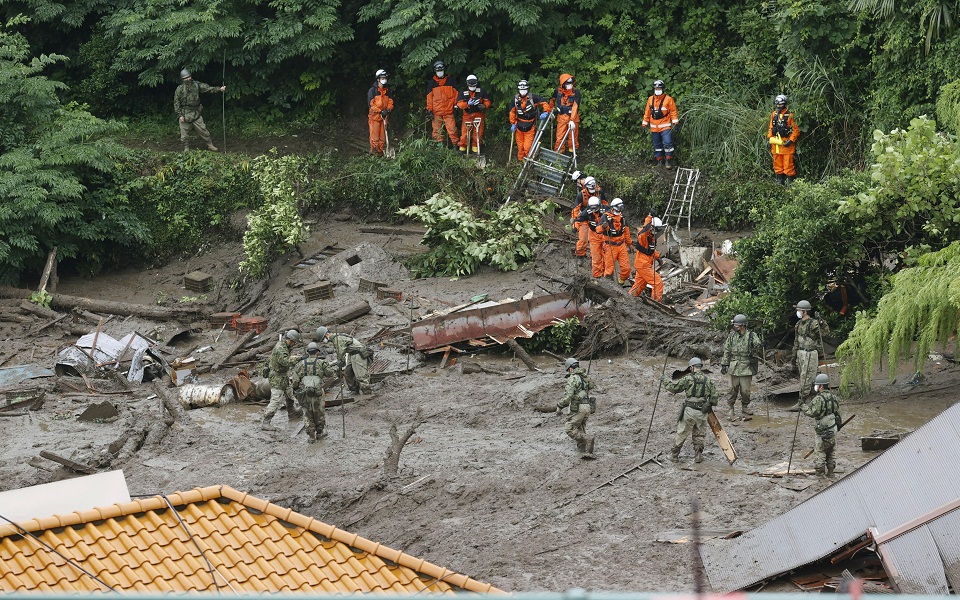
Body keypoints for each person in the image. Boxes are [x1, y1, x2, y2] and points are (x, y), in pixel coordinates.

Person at [664, 357, 719, 463]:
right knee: (699, 434)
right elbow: (715, 397)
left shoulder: (688, 378)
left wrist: (664, 380)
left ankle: (674, 456)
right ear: (700, 367)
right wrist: (710, 403)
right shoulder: (708, 380)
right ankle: (698, 456)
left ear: (692, 367)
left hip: (689, 411)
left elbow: (674, 388)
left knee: (682, 433)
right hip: (702, 412)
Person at [291, 342, 337, 443]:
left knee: (307, 413)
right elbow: (330, 374)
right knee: (319, 412)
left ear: (307, 352)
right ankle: (320, 433)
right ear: (317, 352)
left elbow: (295, 381)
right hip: (318, 392)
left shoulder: (300, 364)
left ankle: (311, 436)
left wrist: (296, 389)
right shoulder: (321, 363)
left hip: (305, 393)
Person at [720, 314, 763, 418]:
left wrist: (760, 345)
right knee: (731, 389)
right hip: (733, 365)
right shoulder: (732, 336)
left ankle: (745, 407)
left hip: (746, 366)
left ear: (743, 326)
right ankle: (731, 408)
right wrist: (724, 363)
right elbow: (727, 350)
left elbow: (757, 346)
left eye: (737, 325)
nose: (735, 327)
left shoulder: (752, 336)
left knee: (745, 390)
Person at [800, 373, 842, 477]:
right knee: (831, 449)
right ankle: (831, 472)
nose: (816, 387)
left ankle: (819, 473)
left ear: (821, 386)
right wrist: (838, 426)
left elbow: (812, 413)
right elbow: (838, 414)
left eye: (817, 385)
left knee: (820, 450)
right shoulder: (834, 397)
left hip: (822, 430)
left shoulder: (818, 399)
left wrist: (803, 406)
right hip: (833, 428)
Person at [175, 68, 226, 152]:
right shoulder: (179, 89)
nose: (188, 79)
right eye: (185, 78)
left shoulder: (197, 85)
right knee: (184, 134)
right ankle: (186, 148)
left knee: (203, 130)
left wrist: (219, 89)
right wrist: (179, 115)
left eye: (188, 77)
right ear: (182, 79)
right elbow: (176, 103)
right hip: (184, 113)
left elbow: (208, 88)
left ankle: (210, 145)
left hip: (196, 113)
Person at [261, 330, 303, 429]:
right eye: (294, 342)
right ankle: (266, 422)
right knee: (276, 399)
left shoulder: (284, 346)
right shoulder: (280, 348)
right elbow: (285, 361)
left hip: (283, 375)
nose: (294, 344)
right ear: (290, 340)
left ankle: (292, 412)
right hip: (277, 377)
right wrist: (299, 358)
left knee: (289, 393)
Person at [791, 300, 829, 408]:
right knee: (805, 376)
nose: (797, 312)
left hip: (810, 353)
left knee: (806, 377)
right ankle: (812, 397)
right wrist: (794, 355)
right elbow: (796, 340)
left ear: (804, 311)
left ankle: (801, 401)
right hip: (800, 353)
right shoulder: (798, 324)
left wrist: (821, 322)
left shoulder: (813, 323)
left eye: (799, 310)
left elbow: (825, 333)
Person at [555, 357, 596, 458]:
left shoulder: (573, 378)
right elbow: (591, 386)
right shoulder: (584, 377)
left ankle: (587, 439)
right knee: (580, 427)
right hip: (587, 407)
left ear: (570, 369)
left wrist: (559, 406)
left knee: (569, 428)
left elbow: (568, 397)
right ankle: (584, 451)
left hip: (578, 407)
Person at [320, 327, 375, 395]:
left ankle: (367, 391)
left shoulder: (337, 338)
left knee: (360, 375)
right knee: (348, 373)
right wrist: (341, 362)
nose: (324, 340)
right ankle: (354, 390)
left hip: (358, 353)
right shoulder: (335, 338)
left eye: (323, 338)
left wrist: (340, 361)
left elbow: (340, 352)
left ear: (327, 334)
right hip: (351, 353)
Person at [508, 80, 550, 161]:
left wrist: (546, 111)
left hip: (530, 126)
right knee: (520, 147)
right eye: (521, 89)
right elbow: (511, 112)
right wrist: (513, 123)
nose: (522, 91)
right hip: (519, 125)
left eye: (524, 89)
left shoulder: (533, 98)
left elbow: (544, 102)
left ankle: (529, 161)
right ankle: (521, 161)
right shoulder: (515, 100)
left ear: (527, 89)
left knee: (527, 147)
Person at [642, 80, 680, 168]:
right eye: (656, 88)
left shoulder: (668, 99)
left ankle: (668, 160)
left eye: (659, 88)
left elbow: (673, 112)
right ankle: (659, 160)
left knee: (668, 143)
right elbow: (647, 112)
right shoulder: (650, 99)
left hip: (665, 125)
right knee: (657, 145)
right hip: (654, 127)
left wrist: (675, 123)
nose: (657, 89)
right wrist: (644, 123)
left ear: (662, 89)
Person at [571, 175, 606, 260]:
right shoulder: (581, 195)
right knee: (583, 239)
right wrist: (574, 223)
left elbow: (605, 204)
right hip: (585, 218)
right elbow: (576, 209)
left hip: (597, 217)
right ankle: (580, 255)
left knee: (599, 240)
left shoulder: (599, 192)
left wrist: (605, 218)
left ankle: (594, 257)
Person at [629, 216, 664, 302]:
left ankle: (629, 299)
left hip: (643, 264)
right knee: (658, 282)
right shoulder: (644, 236)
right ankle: (656, 303)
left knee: (639, 285)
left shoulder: (651, 237)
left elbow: (651, 250)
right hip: (643, 264)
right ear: (651, 227)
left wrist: (658, 257)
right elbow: (644, 229)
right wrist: (649, 217)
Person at [768, 94, 800, 185]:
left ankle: (790, 183)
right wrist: (769, 139)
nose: (778, 106)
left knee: (788, 165)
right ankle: (779, 181)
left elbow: (795, 130)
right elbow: (771, 128)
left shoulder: (790, 115)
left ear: (785, 104)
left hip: (786, 144)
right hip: (776, 144)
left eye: (780, 104)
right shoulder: (773, 115)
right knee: (777, 164)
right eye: (777, 104)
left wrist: (790, 141)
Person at [426, 60, 459, 148]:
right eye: (438, 71)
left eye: (441, 70)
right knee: (437, 130)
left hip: (449, 111)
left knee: (452, 129)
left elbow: (456, 95)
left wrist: (456, 107)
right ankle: (439, 148)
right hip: (436, 112)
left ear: (444, 70)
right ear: (435, 71)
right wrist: (429, 110)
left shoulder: (451, 81)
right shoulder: (432, 83)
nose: (439, 72)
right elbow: (429, 97)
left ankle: (456, 147)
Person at [574, 196, 609, 278]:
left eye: (595, 208)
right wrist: (575, 227)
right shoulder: (587, 212)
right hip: (593, 235)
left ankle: (605, 274)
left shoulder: (606, 209)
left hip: (605, 235)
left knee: (606, 256)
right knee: (596, 257)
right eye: (592, 208)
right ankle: (597, 276)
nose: (594, 210)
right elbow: (579, 219)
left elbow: (615, 216)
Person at [456, 75, 491, 153]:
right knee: (465, 133)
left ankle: (475, 147)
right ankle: (462, 147)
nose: (472, 87)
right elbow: (459, 104)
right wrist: (467, 104)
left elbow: (487, 101)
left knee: (478, 133)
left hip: (479, 114)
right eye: (470, 85)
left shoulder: (481, 91)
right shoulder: (463, 92)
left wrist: (484, 106)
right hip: (467, 115)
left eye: (474, 85)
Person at [601, 198, 632, 286]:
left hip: (621, 245)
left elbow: (626, 231)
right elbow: (597, 229)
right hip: (610, 246)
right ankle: (607, 287)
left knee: (626, 269)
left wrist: (630, 244)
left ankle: (620, 283)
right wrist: (603, 227)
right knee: (609, 271)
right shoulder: (605, 217)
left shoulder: (622, 218)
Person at [550, 73, 581, 153]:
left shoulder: (576, 92)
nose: (569, 85)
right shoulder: (558, 91)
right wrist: (550, 111)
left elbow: (575, 106)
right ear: (563, 84)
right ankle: (559, 151)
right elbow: (552, 101)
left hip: (573, 117)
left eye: (571, 83)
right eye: (567, 83)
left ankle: (572, 151)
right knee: (560, 136)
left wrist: (572, 120)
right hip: (562, 117)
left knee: (573, 136)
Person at [367, 69, 394, 156]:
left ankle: (381, 154)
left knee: (383, 138)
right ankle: (374, 154)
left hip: (384, 117)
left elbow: (391, 102)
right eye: (382, 78)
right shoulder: (372, 91)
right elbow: (371, 105)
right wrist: (380, 111)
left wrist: (388, 110)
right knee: (375, 138)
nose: (384, 79)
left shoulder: (387, 91)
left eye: (385, 78)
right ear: (378, 79)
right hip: (375, 118)